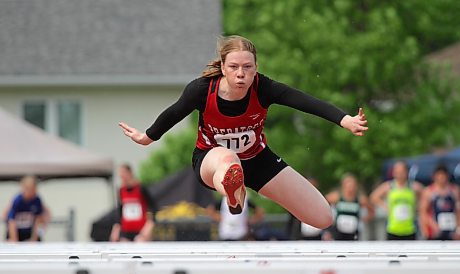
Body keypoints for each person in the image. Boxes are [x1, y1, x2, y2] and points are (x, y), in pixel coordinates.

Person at [119, 35, 368, 230]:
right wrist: (147, 136)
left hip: (258, 159)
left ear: (256, 68)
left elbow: (304, 101)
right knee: (229, 159)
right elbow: (173, 113)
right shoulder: (201, 90)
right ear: (223, 68)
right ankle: (232, 193)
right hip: (210, 159)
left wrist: (344, 119)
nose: (241, 73)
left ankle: (236, 189)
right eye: (234, 67)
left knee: (323, 217)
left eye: (248, 67)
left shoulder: (264, 88)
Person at [370, 161, 424, 240]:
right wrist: (385, 207)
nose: (400, 175)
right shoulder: (389, 186)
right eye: (397, 172)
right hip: (393, 229)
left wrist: (419, 207)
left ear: (406, 172)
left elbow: (426, 194)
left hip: (410, 229)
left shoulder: (413, 187)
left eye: (402, 172)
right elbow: (373, 197)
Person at [109, 164, 157, 242]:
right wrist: (116, 229)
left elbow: (153, 207)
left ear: (130, 173)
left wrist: (149, 225)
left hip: (141, 231)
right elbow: (120, 211)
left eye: (124, 174)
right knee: (122, 248)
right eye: (120, 176)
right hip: (126, 231)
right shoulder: (121, 190)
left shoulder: (141, 188)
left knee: (140, 245)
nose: (122, 177)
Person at [420, 164, 460, 241]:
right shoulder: (428, 192)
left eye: (443, 176)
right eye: (439, 176)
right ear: (434, 176)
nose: (441, 178)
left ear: (447, 176)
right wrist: (429, 227)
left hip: (451, 230)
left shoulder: (454, 190)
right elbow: (423, 212)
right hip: (434, 231)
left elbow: (459, 210)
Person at [325, 173, 373, 241]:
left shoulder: (360, 199)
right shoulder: (336, 197)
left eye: (353, 185)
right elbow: (323, 203)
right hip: (338, 231)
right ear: (343, 185)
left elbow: (371, 210)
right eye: (348, 185)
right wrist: (329, 218)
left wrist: (364, 219)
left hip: (353, 232)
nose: (350, 188)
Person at [5, 176, 45, 242]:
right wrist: (14, 239)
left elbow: (38, 221)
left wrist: (34, 239)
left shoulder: (37, 200)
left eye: (34, 189)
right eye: (30, 189)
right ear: (24, 188)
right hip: (17, 233)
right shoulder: (17, 201)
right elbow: (11, 221)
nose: (33, 192)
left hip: (29, 233)